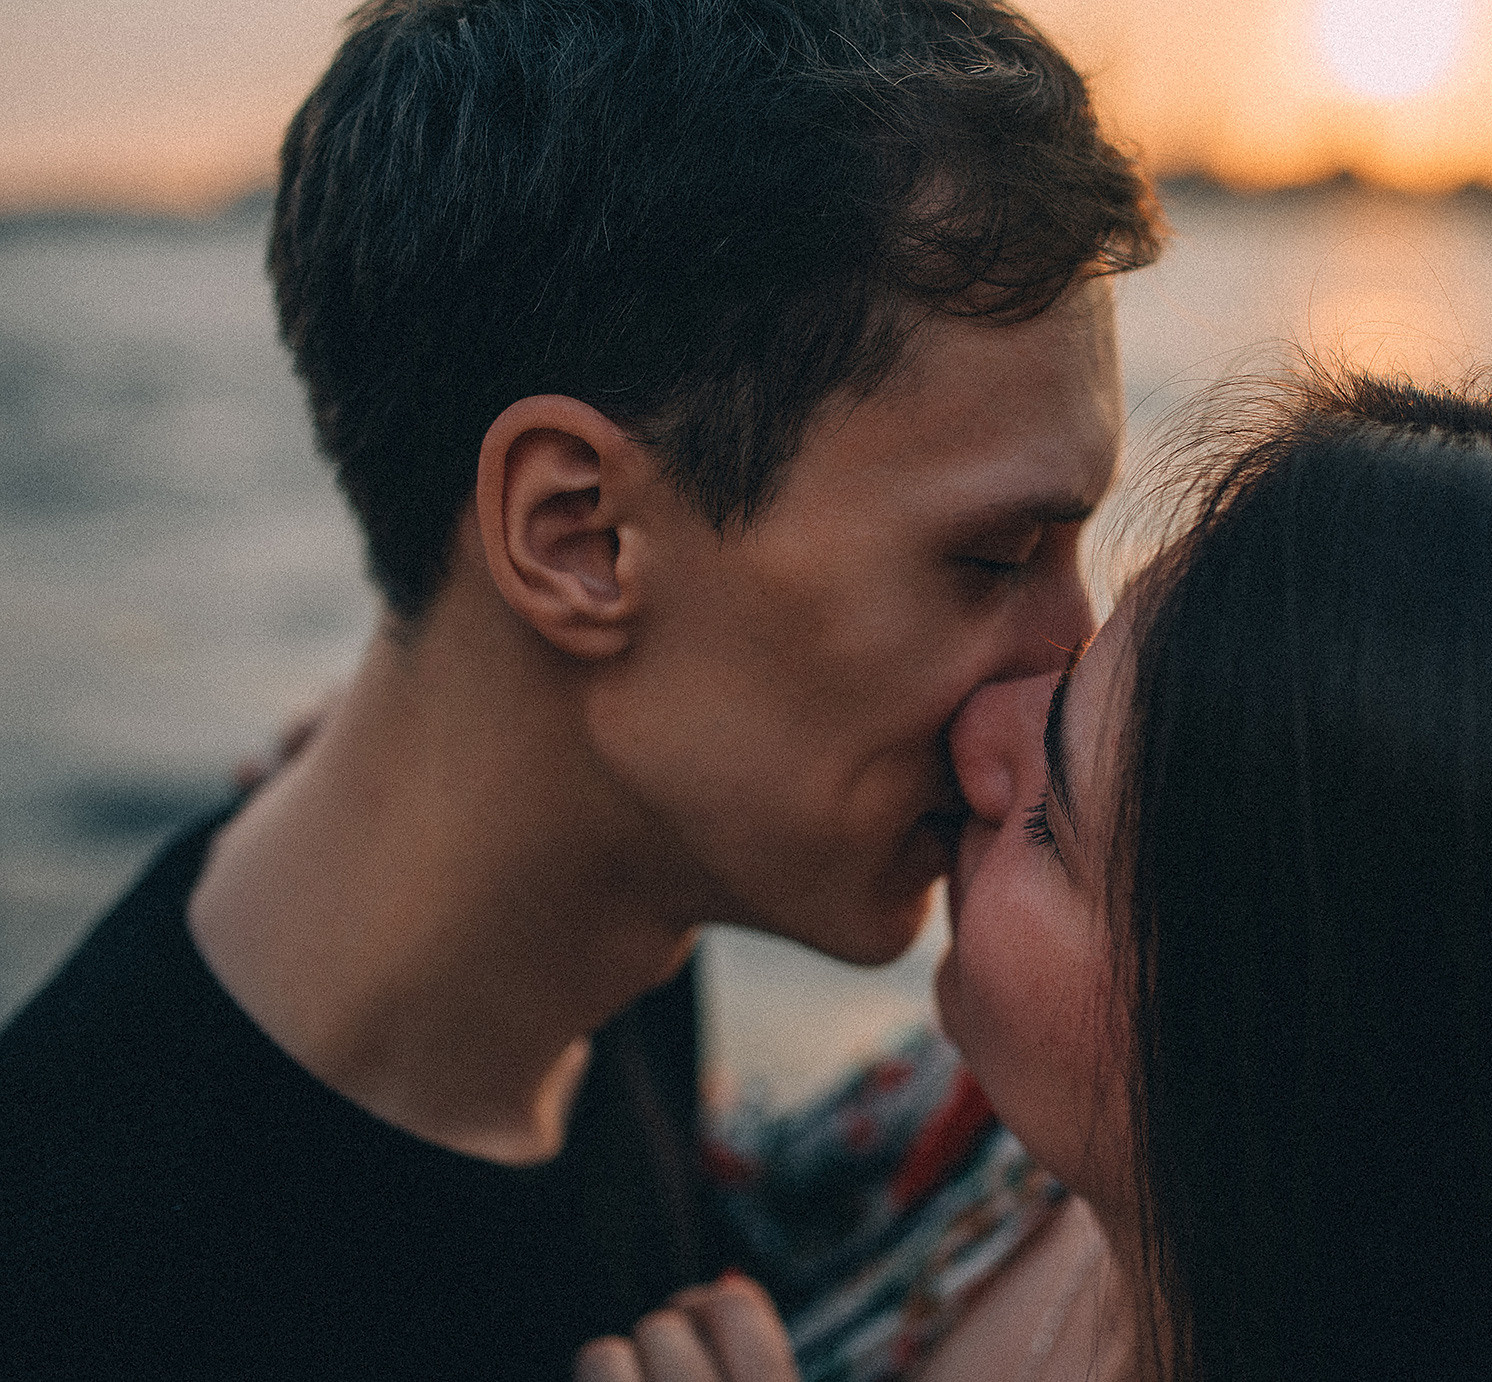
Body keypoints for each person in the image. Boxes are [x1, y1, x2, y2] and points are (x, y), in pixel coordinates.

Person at [0, 0, 1160, 1376]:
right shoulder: (95, 1287)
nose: (1067, 669)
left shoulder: (615, 921)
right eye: (992, 558)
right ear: (578, 538)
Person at [592, 366, 1492, 1380]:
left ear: (1316, 1099)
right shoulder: (1004, 1149)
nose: (981, 731)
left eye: (1056, 821)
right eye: (1086, 666)